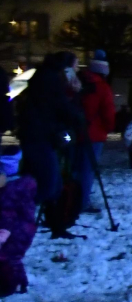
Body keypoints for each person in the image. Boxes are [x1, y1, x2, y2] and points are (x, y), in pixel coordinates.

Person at [16, 52, 85, 225]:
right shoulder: (50, 80)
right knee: (48, 184)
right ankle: (17, 214)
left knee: (47, 182)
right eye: (75, 66)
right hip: (40, 136)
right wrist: (76, 113)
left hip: (39, 134)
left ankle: (49, 218)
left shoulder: (45, 77)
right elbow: (59, 105)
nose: (76, 70)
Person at [76, 52, 115, 211]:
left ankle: (70, 199)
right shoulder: (102, 88)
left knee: (76, 168)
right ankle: (82, 202)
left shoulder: (78, 83)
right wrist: (109, 127)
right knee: (88, 169)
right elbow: (108, 113)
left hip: (76, 132)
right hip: (94, 134)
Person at [0, 163, 39, 295]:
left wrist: (2, 237)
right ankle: (21, 283)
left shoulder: (8, 193)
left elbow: (7, 217)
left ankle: (8, 287)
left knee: (6, 257)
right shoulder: (22, 187)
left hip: (15, 232)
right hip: (25, 230)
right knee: (14, 258)